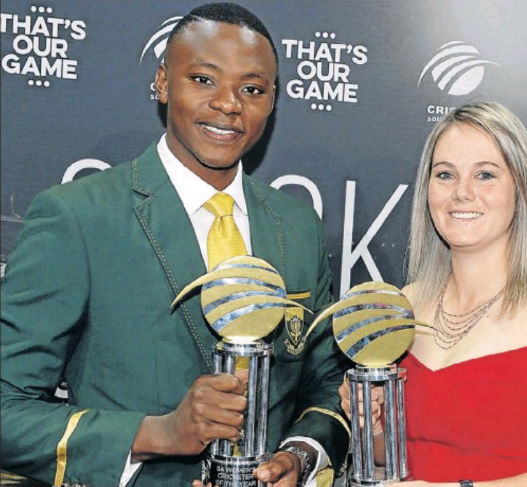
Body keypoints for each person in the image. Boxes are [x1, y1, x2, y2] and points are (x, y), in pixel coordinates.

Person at [1, 4, 350, 487]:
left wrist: (299, 454)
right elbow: (6, 407)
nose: (229, 104)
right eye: (204, 80)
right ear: (164, 83)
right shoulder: (79, 216)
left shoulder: (297, 226)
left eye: (251, 89)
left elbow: (327, 381)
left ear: (272, 101)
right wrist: (158, 433)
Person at [339, 101, 527, 486]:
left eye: (486, 175)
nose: (462, 193)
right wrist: (371, 426)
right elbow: (397, 459)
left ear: (521, 189)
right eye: (445, 174)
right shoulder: (404, 306)